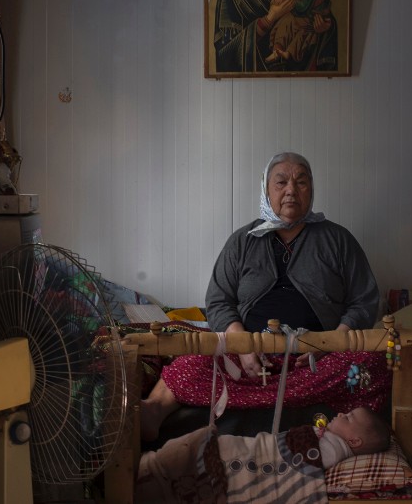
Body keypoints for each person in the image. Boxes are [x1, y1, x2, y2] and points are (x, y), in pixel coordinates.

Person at [140, 152, 389, 443]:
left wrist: (330, 342)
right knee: (190, 360)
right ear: (266, 189)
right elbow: (219, 301)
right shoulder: (243, 240)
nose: (291, 190)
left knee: (374, 363)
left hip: (316, 360)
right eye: (281, 182)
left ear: (312, 189)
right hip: (245, 356)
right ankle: (152, 412)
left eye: (301, 182)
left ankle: (259, 393)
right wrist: (243, 346)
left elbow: (364, 299)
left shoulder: (338, 239)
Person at [135, 406, 390, 502]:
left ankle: (144, 476)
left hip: (250, 458)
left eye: (349, 417)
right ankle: (148, 472)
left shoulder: (335, 447)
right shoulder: (331, 438)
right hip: (251, 448)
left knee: (189, 454)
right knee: (187, 452)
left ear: (354, 440)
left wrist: (316, 435)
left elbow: (306, 458)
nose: (341, 414)